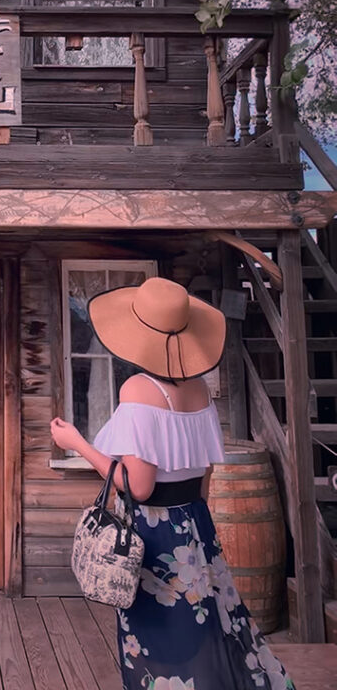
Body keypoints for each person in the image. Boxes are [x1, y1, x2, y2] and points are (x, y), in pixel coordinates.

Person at [50, 275, 296, 690]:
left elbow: (139, 487)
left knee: (159, 642)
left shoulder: (138, 390)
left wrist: (76, 442)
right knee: (212, 625)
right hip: (197, 526)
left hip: (157, 533)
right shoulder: (199, 390)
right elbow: (205, 476)